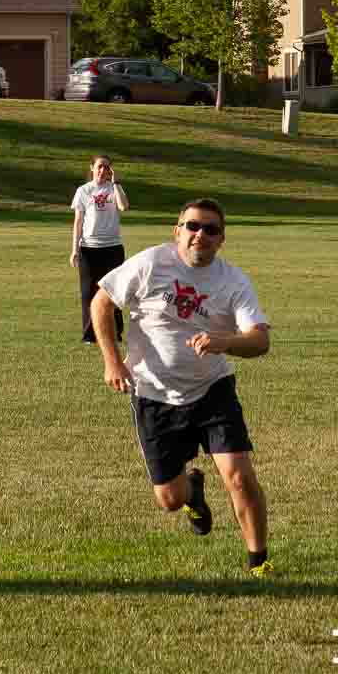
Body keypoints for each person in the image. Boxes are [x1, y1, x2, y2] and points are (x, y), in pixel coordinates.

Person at [90, 198, 273, 576]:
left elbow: (259, 340)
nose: (200, 235)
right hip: (153, 394)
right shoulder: (150, 263)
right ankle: (192, 492)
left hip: (212, 390)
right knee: (170, 499)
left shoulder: (233, 280)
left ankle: (259, 561)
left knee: (239, 475)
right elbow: (102, 303)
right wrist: (112, 360)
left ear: (222, 239)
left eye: (211, 229)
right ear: (177, 231)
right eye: (192, 226)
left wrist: (225, 343)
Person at [70, 154, 130, 345]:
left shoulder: (114, 189)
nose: (103, 170)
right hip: (89, 249)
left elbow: (124, 206)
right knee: (88, 293)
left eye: (106, 167)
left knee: (114, 291)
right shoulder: (84, 191)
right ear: (92, 168)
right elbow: (78, 222)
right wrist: (74, 249)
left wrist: (116, 183)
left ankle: (116, 333)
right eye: (100, 167)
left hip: (112, 248)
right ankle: (89, 335)